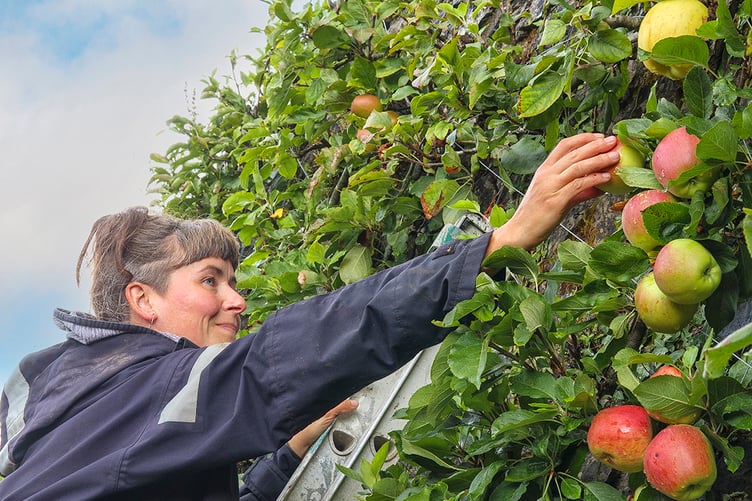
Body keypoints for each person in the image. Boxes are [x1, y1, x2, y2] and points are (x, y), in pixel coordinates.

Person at [0, 133, 620, 500]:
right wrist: (498, 245)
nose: (236, 301)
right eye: (210, 280)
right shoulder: (158, 387)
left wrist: (289, 450)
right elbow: (295, 349)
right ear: (144, 301)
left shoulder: (60, 413)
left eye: (235, 281)